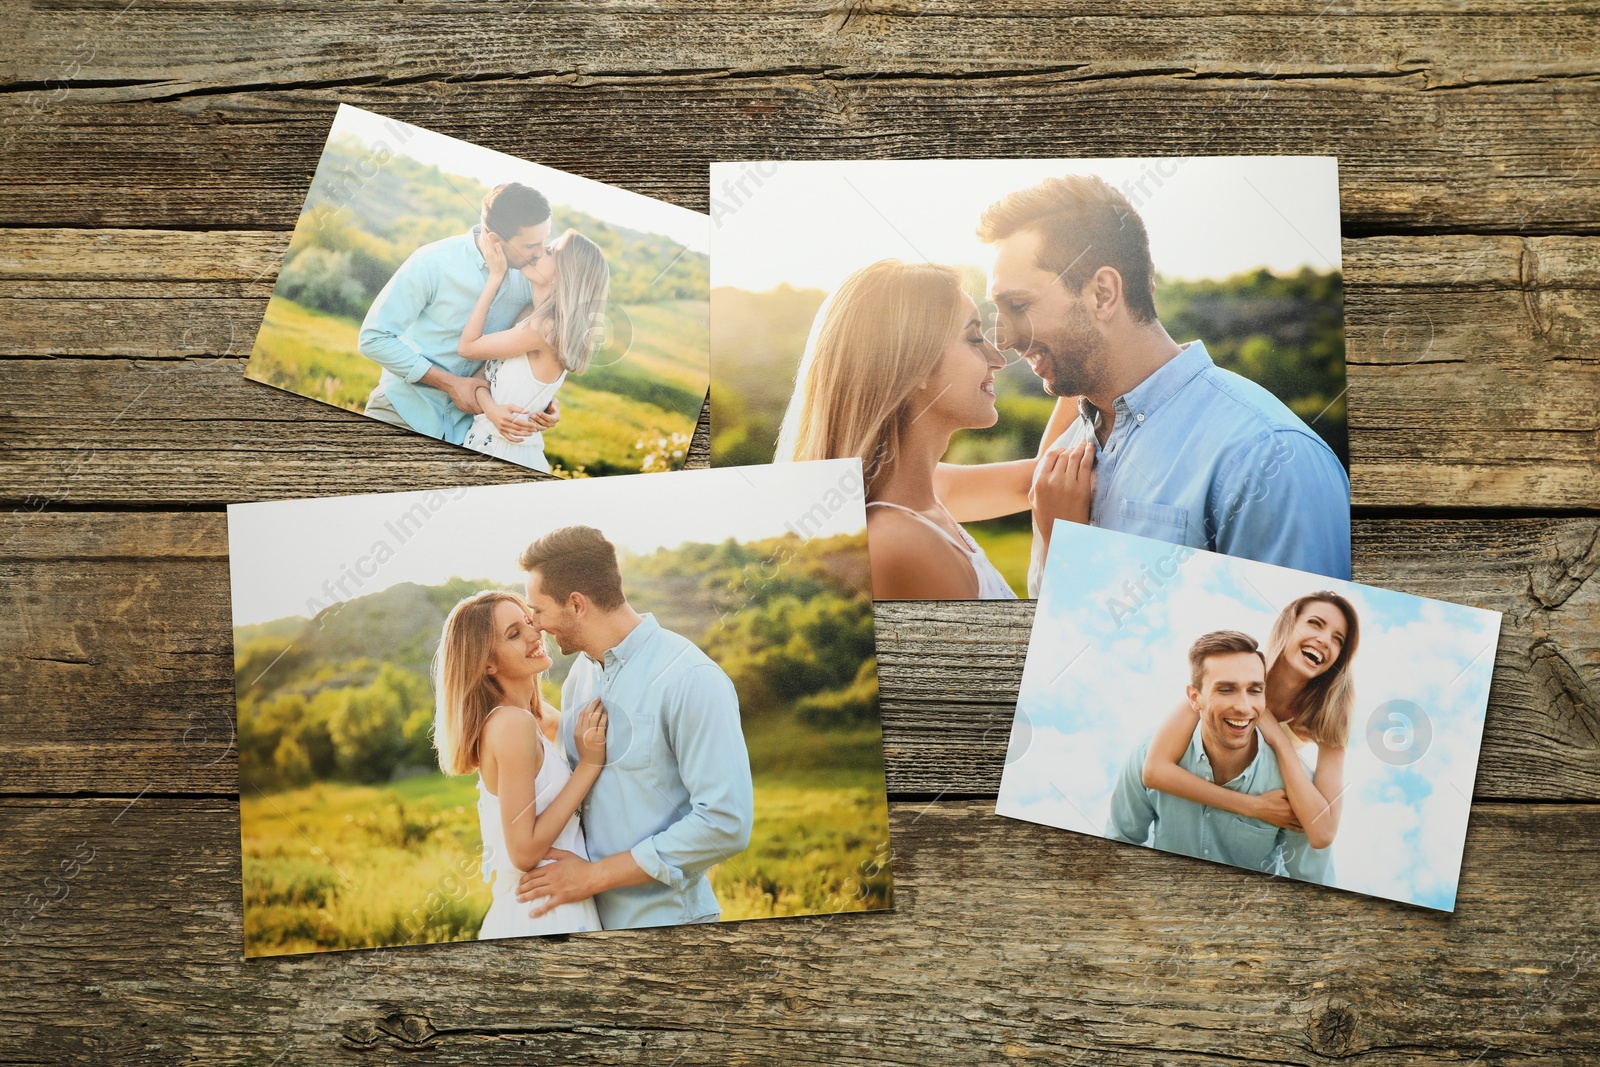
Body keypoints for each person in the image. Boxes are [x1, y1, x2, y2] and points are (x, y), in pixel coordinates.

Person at [979, 174, 1352, 594]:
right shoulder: (1063, 454)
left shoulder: (1269, 456)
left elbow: (1295, 649)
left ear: (1102, 293)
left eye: (1018, 306)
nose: (1003, 339)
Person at [777, 259, 1095, 599]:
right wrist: (1061, 541)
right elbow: (1043, 653)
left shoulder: (918, 490)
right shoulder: (901, 543)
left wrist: (1079, 364)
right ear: (915, 367)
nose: (998, 359)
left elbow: (1042, 479)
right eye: (974, 338)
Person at [511, 525, 754, 929]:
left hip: (671, 926)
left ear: (576, 604)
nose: (535, 625)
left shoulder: (690, 678)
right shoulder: (580, 678)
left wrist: (594, 876)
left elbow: (725, 824)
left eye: (537, 611)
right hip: (589, 924)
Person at [431, 590, 608, 937]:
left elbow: (568, 722)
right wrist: (588, 765)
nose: (533, 634)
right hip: (541, 913)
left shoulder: (533, 718)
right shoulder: (512, 725)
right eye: (514, 633)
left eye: (529, 621)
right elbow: (523, 851)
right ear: (487, 663)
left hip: (557, 903)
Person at [1106, 630, 1332, 884]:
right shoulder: (1151, 750)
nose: (1244, 706)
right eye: (1226, 690)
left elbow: (1316, 880)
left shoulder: (1294, 787)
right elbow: (1119, 844)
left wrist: (1281, 743)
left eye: (1255, 690)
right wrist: (1254, 807)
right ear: (1194, 697)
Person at [1142, 593, 1359, 857]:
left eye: (1338, 639)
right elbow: (1154, 770)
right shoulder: (1237, 669)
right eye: (1315, 623)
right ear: (1287, 625)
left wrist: (1278, 740)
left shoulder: (1330, 717)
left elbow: (1322, 833)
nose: (1325, 640)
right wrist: (1252, 806)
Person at [358, 182, 561, 445]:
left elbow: (530, 349)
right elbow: (373, 338)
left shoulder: (530, 280)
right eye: (532, 245)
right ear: (496, 241)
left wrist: (541, 398)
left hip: (469, 434)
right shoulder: (433, 261)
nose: (541, 252)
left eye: (544, 240)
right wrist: (450, 383)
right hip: (401, 413)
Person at [457, 228, 612, 472]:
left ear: (567, 274)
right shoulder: (530, 315)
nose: (539, 251)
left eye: (550, 251)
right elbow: (483, 376)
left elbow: (468, 347)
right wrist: (491, 408)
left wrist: (495, 277)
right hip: (485, 442)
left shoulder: (543, 328)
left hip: (507, 452)